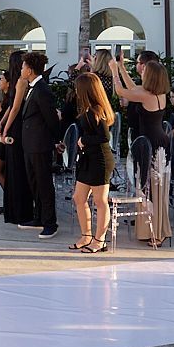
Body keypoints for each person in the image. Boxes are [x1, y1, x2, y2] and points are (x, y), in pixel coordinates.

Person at [111, 55, 172, 244]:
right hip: (159, 141)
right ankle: (154, 229)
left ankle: (157, 233)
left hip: (151, 144)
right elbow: (131, 88)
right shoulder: (157, 93)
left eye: (145, 71)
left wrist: (113, 71)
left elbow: (121, 90)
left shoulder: (146, 95)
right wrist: (121, 68)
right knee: (155, 186)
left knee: (151, 187)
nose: (142, 71)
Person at [8, 51, 61, 240]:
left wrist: (57, 141)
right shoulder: (33, 87)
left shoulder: (42, 90)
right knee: (34, 183)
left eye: (23, 67)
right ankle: (38, 217)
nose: (21, 69)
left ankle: (50, 223)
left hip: (40, 145)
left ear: (29, 70)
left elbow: (52, 119)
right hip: (30, 145)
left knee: (44, 184)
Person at [69, 71, 117, 252]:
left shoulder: (96, 110)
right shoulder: (88, 110)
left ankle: (100, 240)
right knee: (79, 198)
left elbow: (104, 136)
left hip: (100, 160)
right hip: (88, 159)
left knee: (100, 201)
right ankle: (86, 235)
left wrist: (84, 140)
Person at [0, 51, 31, 225]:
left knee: (16, 170)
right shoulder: (19, 81)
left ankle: (19, 211)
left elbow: (15, 108)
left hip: (16, 129)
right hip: (13, 126)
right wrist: (2, 123)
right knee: (12, 169)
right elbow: (11, 107)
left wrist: (5, 126)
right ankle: (14, 209)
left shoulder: (22, 82)